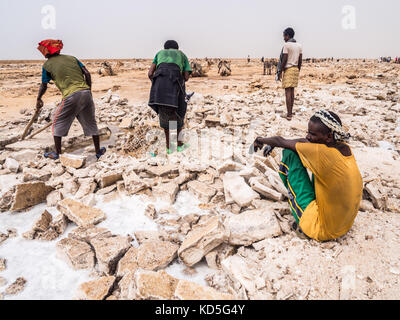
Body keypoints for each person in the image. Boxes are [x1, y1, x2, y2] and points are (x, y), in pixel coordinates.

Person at [253, 110, 363, 241]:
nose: (308, 136)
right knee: (301, 152)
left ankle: (301, 216)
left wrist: (260, 140)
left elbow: (281, 141)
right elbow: (304, 142)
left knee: (290, 153)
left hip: (323, 229)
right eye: (308, 132)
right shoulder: (343, 148)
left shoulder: (321, 154)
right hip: (344, 224)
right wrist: (274, 143)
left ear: (328, 136)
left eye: (312, 134)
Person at [36, 39, 105, 160]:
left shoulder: (47, 65)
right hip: (86, 93)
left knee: (57, 122)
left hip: (71, 95)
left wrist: (38, 99)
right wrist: (88, 90)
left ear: (46, 50)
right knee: (91, 122)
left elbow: (44, 85)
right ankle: (98, 151)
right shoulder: (72, 58)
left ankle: (57, 153)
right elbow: (87, 74)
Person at [148, 40, 192, 154]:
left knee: (165, 114)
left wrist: (158, 83)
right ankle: (178, 145)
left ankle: (169, 147)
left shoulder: (159, 53)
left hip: (159, 90)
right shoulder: (181, 54)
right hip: (175, 88)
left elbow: (149, 73)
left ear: (165, 48)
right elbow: (186, 77)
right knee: (178, 113)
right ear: (176, 48)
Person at [277, 27, 303, 121]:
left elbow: (284, 59)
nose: (283, 38)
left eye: (284, 36)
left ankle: (289, 115)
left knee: (287, 91)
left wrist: (280, 71)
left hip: (288, 69)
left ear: (287, 35)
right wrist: (298, 69)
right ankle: (290, 112)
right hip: (296, 69)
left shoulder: (286, 45)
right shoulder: (299, 46)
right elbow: (300, 60)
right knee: (292, 91)